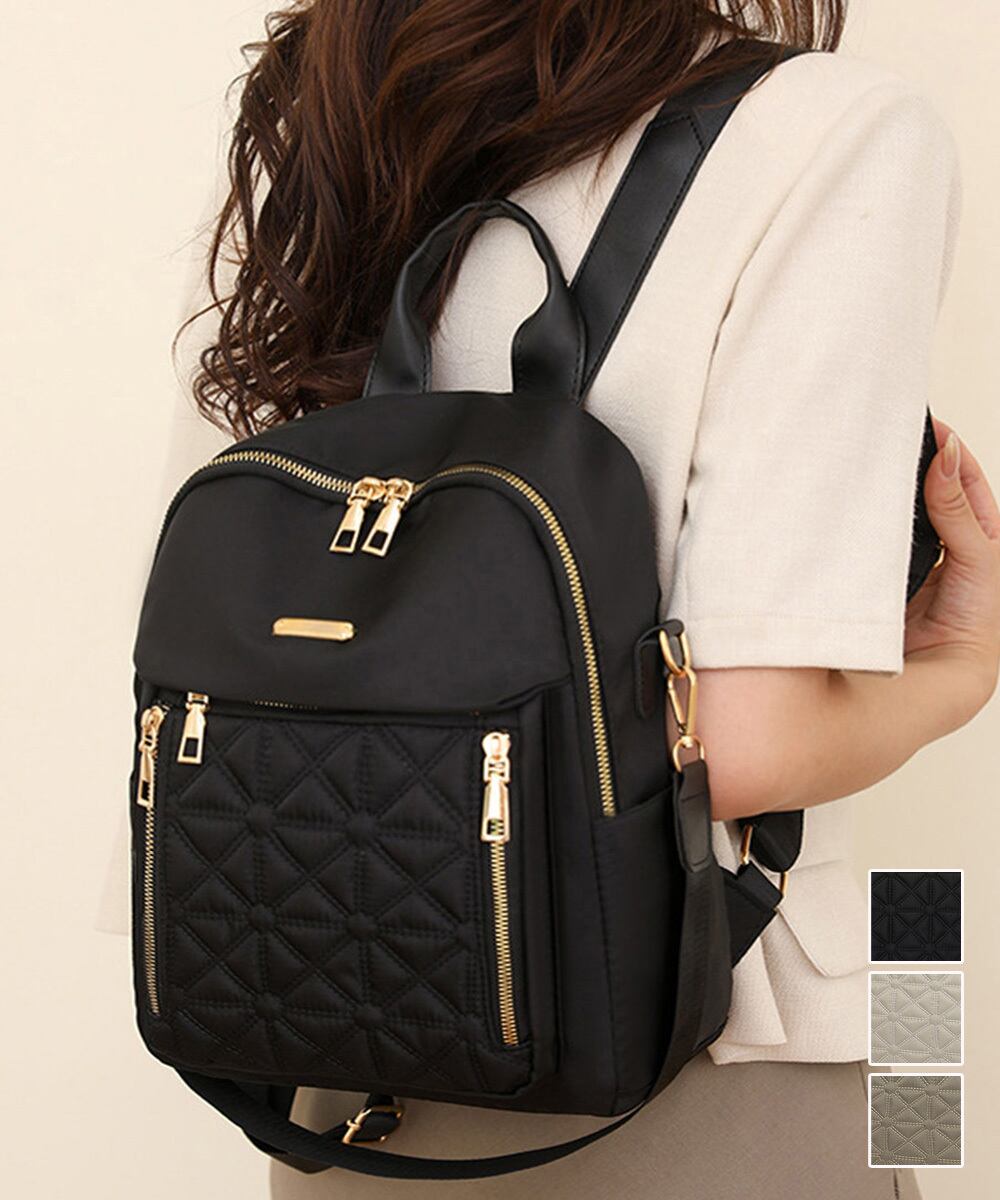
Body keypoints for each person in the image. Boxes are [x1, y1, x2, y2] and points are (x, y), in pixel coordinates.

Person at [106, 4, 1000, 1197]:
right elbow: (741, 746)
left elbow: (220, 645)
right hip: (707, 1067)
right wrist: (960, 667)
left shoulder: (322, 121)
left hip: (332, 1077)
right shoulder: (837, 127)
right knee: (915, 1113)